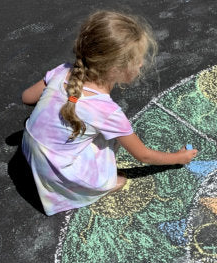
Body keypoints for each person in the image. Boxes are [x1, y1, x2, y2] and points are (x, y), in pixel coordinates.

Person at [21, 11, 198, 216]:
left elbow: (27, 97)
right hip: (54, 171)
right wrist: (178, 157)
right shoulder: (107, 112)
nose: (141, 64)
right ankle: (93, 186)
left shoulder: (63, 70)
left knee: (95, 133)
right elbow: (143, 155)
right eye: (137, 61)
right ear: (116, 68)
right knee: (109, 147)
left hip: (30, 148)